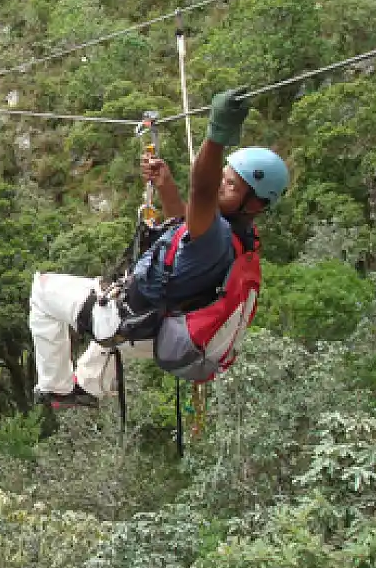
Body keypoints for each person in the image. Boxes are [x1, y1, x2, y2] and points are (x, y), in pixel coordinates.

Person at [29, 89, 289, 408]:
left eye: (232, 184)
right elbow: (183, 227)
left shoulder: (216, 236)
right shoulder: (238, 236)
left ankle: (56, 388)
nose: (222, 184)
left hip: (131, 317)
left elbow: (202, 189)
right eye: (223, 177)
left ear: (256, 203)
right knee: (107, 335)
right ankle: (87, 386)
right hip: (156, 329)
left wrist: (217, 135)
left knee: (42, 291)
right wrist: (165, 185)